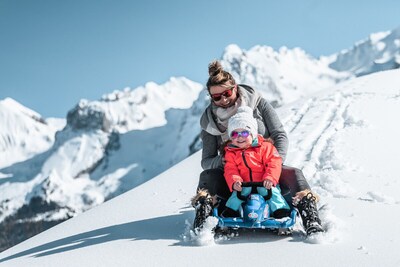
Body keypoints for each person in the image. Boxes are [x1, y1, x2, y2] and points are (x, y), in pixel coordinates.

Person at [193, 60, 323, 235]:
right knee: (207, 176)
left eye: (227, 93)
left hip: (268, 170)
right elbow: (206, 161)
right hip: (234, 177)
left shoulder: (257, 102)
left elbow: (279, 134)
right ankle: (204, 221)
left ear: (235, 88)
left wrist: (273, 161)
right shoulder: (210, 122)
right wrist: (223, 161)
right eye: (216, 97)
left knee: (294, 173)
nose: (223, 99)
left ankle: (311, 218)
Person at [222, 106, 290, 219]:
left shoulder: (265, 147)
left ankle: (281, 211)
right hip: (244, 185)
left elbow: (274, 163)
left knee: (273, 194)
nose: (239, 138)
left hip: (264, 183)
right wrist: (235, 182)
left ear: (252, 133)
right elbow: (230, 169)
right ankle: (230, 212)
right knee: (236, 197)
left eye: (244, 133)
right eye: (234, 134)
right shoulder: (231, 152)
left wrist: (270, 178)